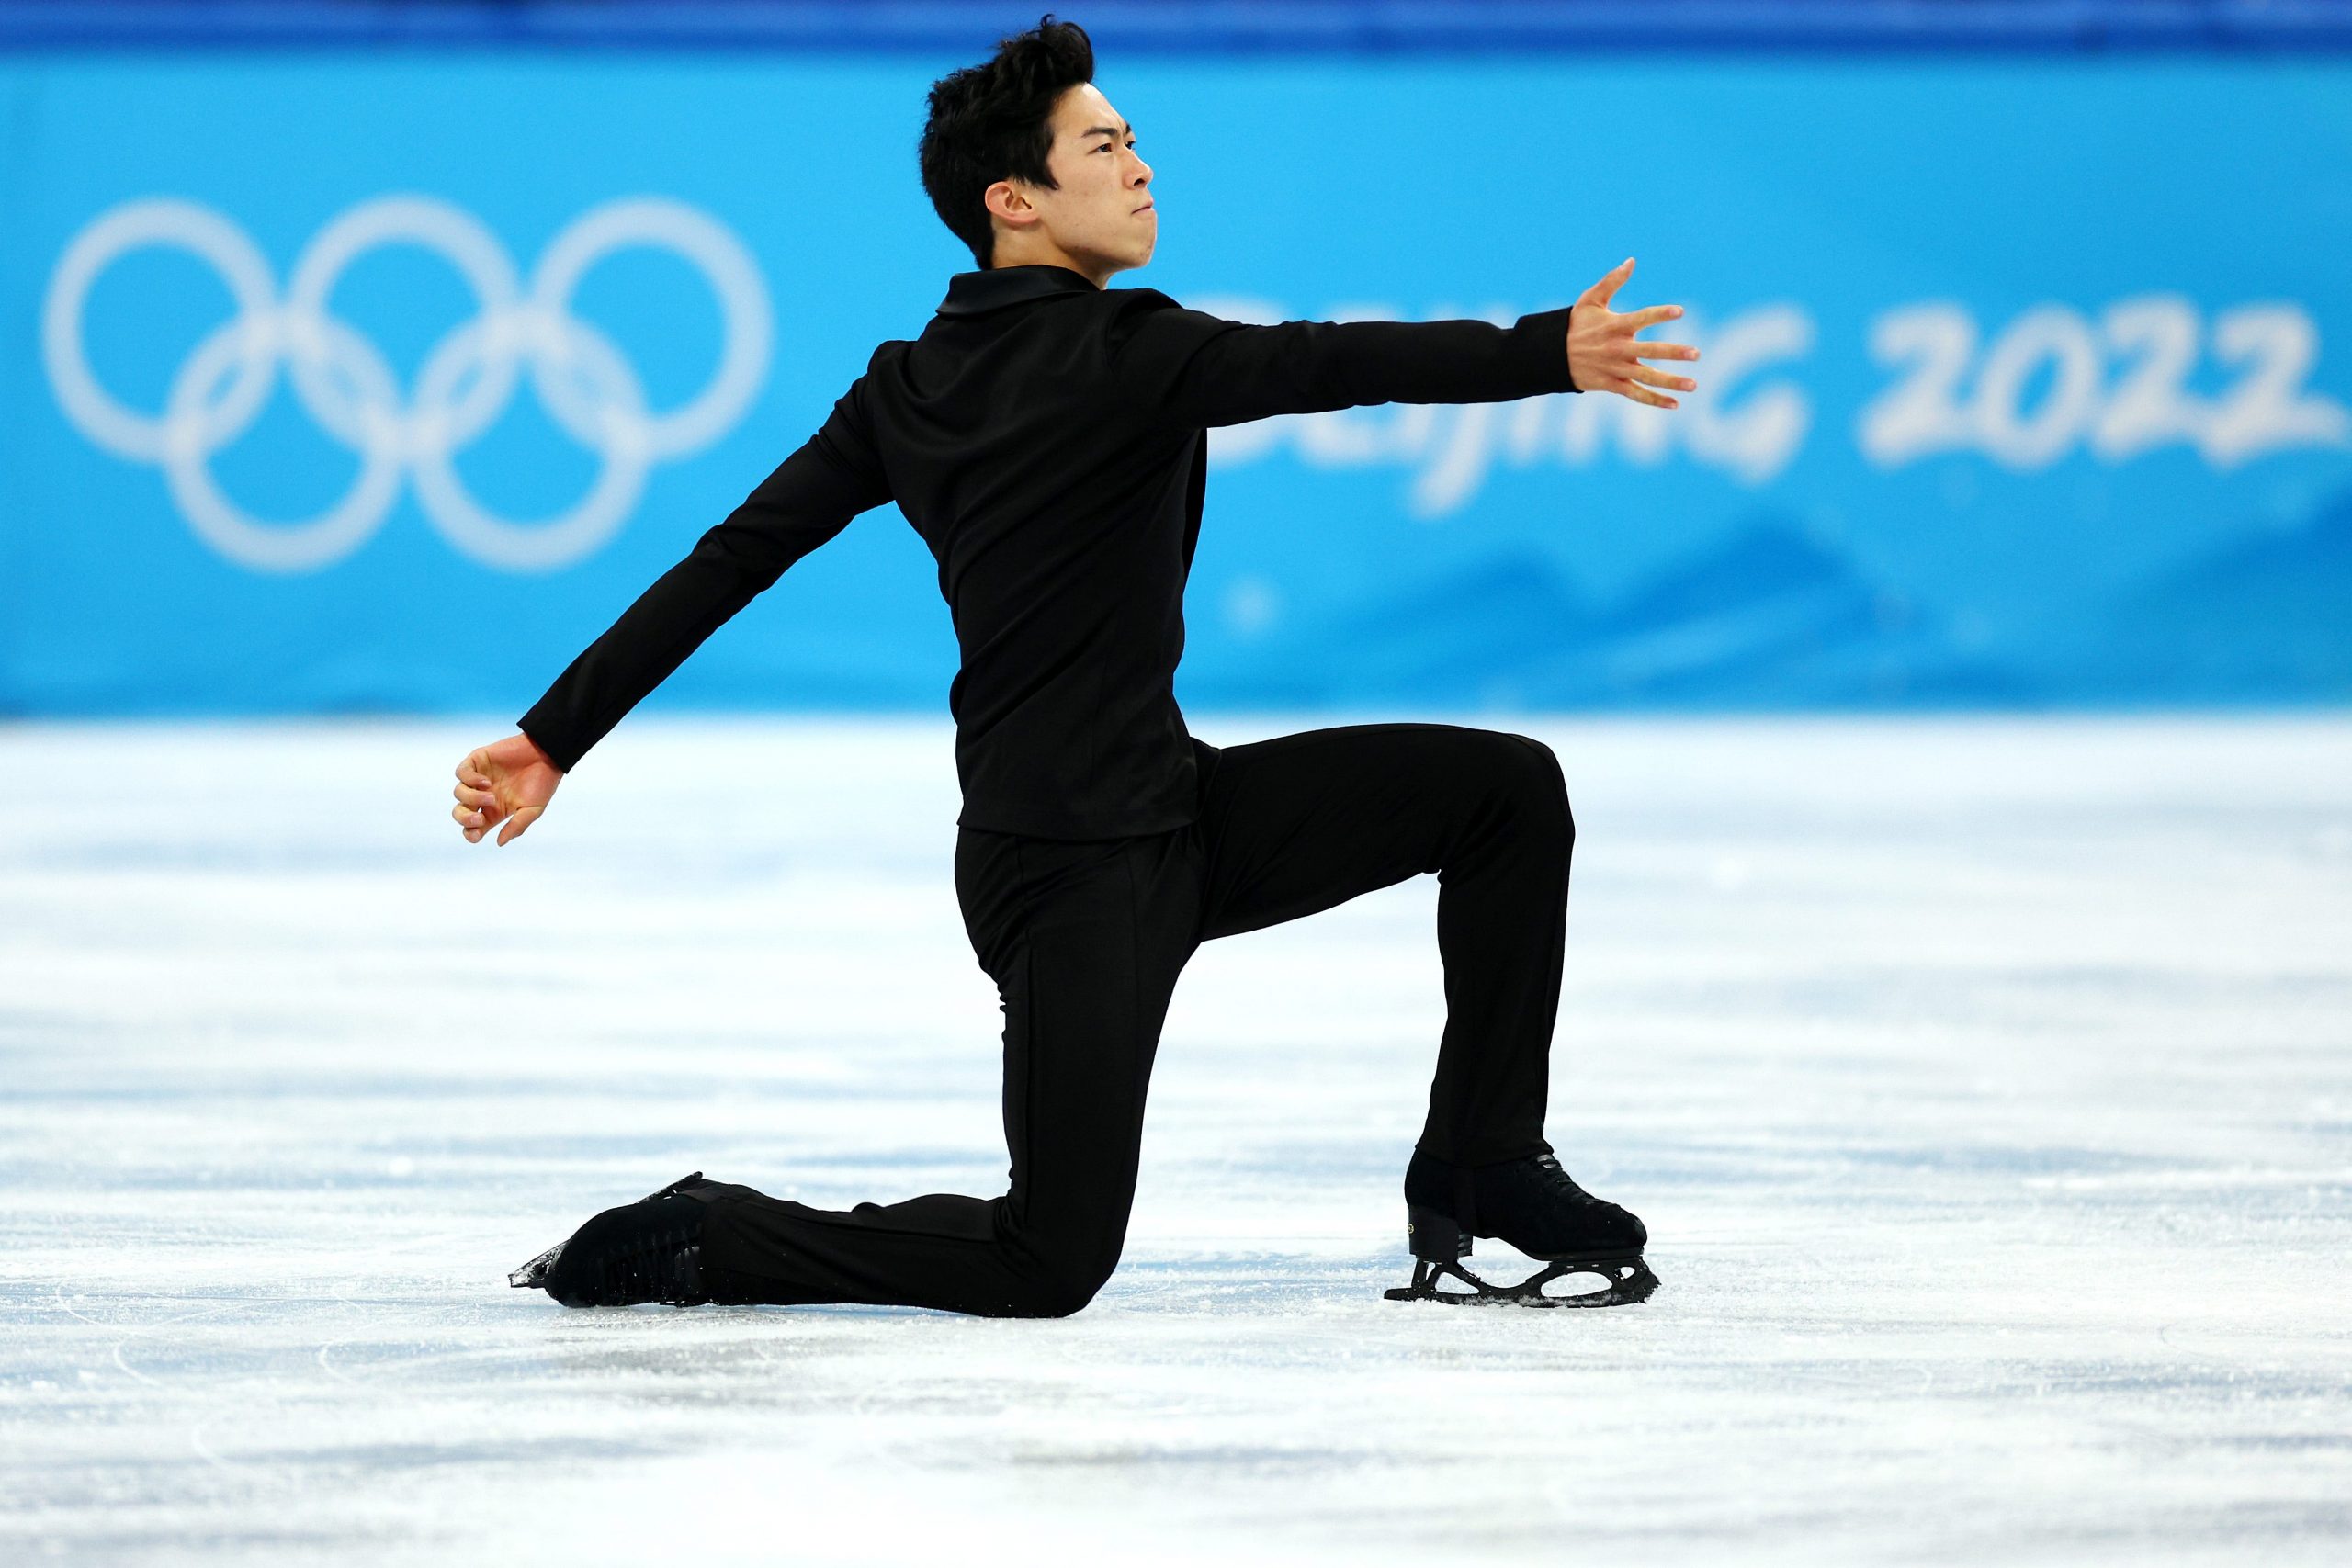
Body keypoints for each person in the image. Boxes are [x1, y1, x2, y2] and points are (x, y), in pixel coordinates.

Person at [459, 14, 1697, 1314]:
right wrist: (1540, 351)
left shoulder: (912, 385)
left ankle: (1487, 1161)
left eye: (1134, 141)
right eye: (1103, 146)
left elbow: (727, 562)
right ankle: (716, 1234)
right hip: (1066, 873)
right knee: (1048, 1259)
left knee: (1504, 792)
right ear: (1015, 200)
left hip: (1178, 815)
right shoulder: (1125, 353)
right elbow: (1330, 362)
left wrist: (554, 738)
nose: (1141, 168)